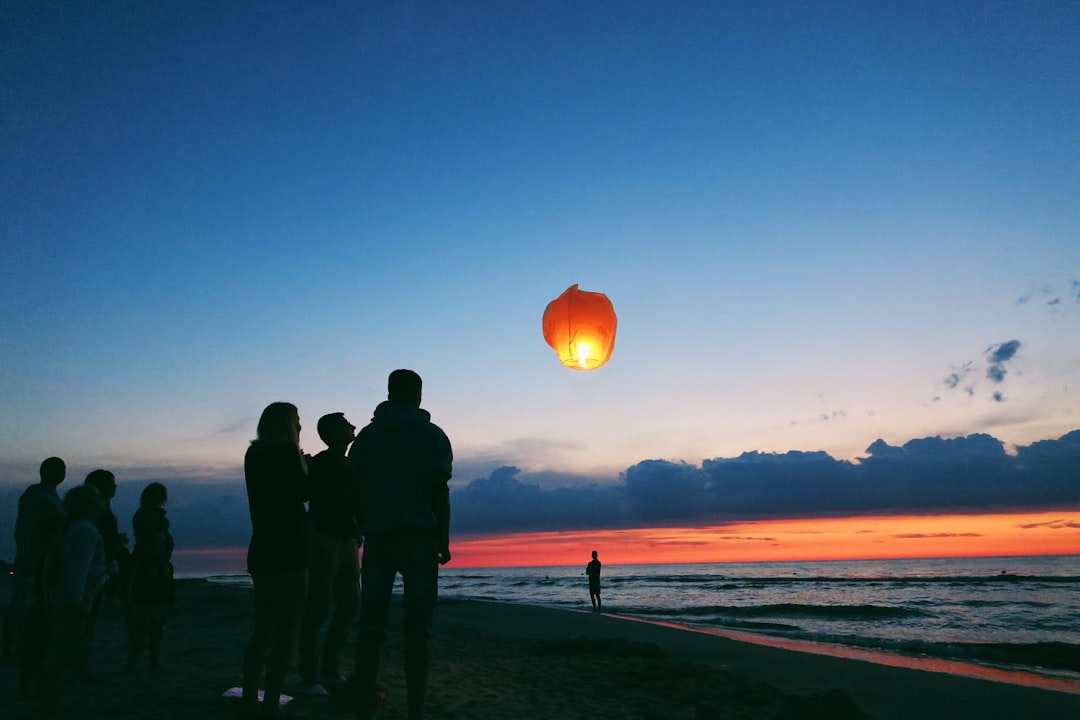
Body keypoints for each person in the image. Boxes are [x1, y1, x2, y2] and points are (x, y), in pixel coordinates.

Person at [348, 369, 452, 720]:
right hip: (420, 539)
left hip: (378, 538)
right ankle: (415, 712)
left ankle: (364, 706)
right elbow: (440, 491)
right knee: (417, 632)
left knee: (371, 628)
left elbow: (353, 488)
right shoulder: (432, 436)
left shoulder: (366, 438)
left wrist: (362, 521)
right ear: (419, 395)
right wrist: (444, 538)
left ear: (390, 393)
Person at [241, 402, 311, 718]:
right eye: (297, 420)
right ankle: (270, 701)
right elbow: (303, 492)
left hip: (262, 545)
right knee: (286, 630)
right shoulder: (287, 451)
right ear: (286, 424)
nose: (300, 426)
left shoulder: (253, 454)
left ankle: (248, 697)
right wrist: (305, 466)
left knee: (262, 628)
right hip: (291, 546)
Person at [298, 412, 360, 694]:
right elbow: (304, 497)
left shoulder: (349, 463)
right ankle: (310, 674)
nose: (353, 427)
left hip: (348, 541)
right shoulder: (323, 462)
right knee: (318, 608)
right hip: (325, 540)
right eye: (347, 424)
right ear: (334, 432)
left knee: (349, 606)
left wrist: (358, 529)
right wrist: (315, 535)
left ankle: (328, 666)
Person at [37, 484, 109, 715]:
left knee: (58, 651)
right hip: (74, 601)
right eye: (97, 497)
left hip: (64, 597)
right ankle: (49, 704)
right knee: (60, 653)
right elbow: (78, 571)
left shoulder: (72, 529)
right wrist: (77, 604)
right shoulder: (85, 531)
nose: (102, 501)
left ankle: (49, 701)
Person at [2, 457, 67, 664]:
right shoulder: (34, 496)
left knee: (37, 603)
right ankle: (7, 648)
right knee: (21, 604)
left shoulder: (52, 496)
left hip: (48, 560)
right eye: (59, 469)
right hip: (35, 559)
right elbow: (24, 528)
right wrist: (26, 554)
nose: (63, 472)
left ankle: (22, 646)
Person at [79, 469, 125, 680]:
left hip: (102, 570)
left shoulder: (103, 509)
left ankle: (82, 663)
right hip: (92, 572)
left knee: (89, 618)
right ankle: (80, 665)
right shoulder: (94, 513)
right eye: (111, 483)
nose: (115, 487)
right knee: (84, 618)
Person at [126, 482, 176, 671]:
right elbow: (149, 540)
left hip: (160, 568)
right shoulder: (144, 516)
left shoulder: (154, 516)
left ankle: (152, 660)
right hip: (147, 568)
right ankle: (135, 660)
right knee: (142, 616)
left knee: (157, 616)